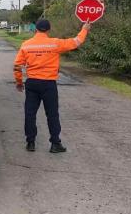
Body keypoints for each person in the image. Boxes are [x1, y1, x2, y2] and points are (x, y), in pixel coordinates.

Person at [13, 19, 91, 153]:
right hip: (49, 84)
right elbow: (76, 42)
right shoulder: (55, 43)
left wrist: (19, 82)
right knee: (52, 114)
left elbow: (17, 66)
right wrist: (85, 29)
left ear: (35, 29)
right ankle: (55, 144)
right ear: (48, 30)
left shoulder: (26, 45)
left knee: (30, 113)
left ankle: (30, 142)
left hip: (32, 83)